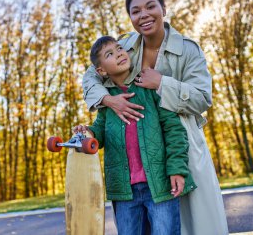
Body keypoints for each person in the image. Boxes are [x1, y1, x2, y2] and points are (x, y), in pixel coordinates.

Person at [82, 0, 229, 235]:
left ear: (163, 8)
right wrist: (110, 101)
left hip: (179, 140)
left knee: (192, 221)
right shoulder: (125, 44)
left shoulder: (188, 49)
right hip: (136, 146)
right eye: (136, 11)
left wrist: (161, 83)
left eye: (151, 6)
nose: (144, 15)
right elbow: (90, 77)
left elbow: (203, 98)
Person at [74, 35, 196, 235]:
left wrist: (177, 169)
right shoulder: (107, 103)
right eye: (110, 54)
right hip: (124, 191)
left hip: (159, 184)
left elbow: (174, 130)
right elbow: (99, 133)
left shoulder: (150, 90)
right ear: (101, 70)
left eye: (119, 48)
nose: (119, 53)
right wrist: (86, 133)